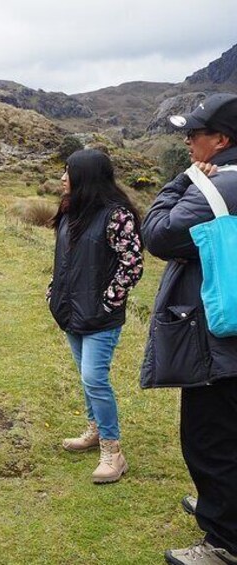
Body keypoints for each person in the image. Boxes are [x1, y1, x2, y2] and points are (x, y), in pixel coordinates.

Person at [140, 93, 237, 565]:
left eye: (194, 135)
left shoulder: (219, 188)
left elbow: (158, 233)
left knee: (210, 439)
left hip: (222, 343)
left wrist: (185, 177)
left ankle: (225, 542)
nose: (187, 141)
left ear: (221, 141)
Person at [47, 148, 143, 484]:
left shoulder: (117, 216)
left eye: (68, 171)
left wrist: (109, 301)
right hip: (71, 311)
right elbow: (64, 261)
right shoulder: (71, 210)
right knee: (86, 376)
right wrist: (53, 292)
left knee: (94, 378)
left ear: (85, 176)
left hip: (100, 316)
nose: (62, 177)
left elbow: (132, 265)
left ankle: (113, 451)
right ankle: (94, 429)